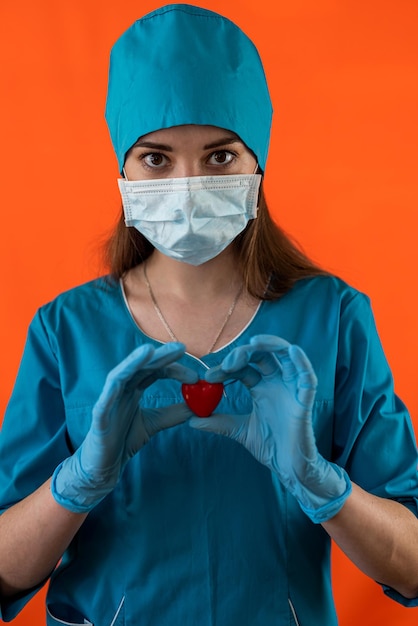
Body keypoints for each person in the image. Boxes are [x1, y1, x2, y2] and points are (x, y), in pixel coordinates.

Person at [0, 4, 417, 625]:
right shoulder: (66, 331)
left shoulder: (333, 318)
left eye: (219, 157)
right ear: (123, 169)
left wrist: (320, 483)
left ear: (257, 162)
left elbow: (411, 562)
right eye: (157, 159)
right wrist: (78, 481)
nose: (188, 185)